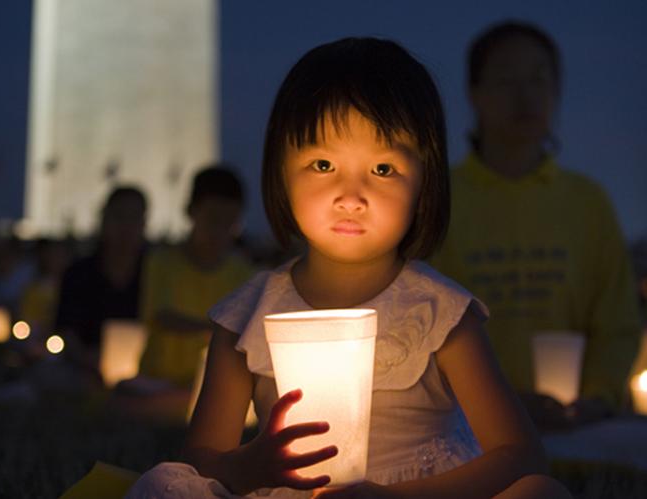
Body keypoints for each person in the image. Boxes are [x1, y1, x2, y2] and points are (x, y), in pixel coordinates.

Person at [126, 37, 569, 498]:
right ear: (281, 172)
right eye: (322, 164)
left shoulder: (439, 314)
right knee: (162, 486)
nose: (351, 197)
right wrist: (251, 463)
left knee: (540, 492)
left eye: (382, 170)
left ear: (425, 182)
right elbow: (200, 460)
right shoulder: (246, 316)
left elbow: (521, 455)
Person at [430, 21, 641, 428]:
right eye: (506, 79)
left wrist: (597, 399)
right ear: (474, 94)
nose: (525, 94)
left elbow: (617, 323)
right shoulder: (441, 199)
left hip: (577, 430)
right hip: (463, 432)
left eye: (539, 78)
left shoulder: (587, 202)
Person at [138, 165, 254, 389]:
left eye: (229, 221)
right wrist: (215, 331)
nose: (220, 230)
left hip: (213, 385)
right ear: (191, 211)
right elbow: (161, 316)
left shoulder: (242, 272)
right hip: (157, 381)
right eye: (213, 219)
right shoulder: (162, 262)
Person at [54, 186, 149, 380]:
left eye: (134, 218)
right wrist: (89, 359)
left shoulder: (154, 274)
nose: (126, 227)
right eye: (119, 216)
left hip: (144, 374)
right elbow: (66, 330)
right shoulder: (78, 273)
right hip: (82, 372)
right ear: (104, 219)